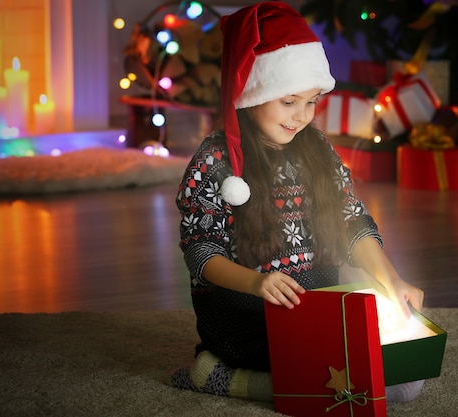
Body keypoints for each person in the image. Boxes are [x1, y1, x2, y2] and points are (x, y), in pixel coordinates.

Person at [170, 1, 425, 404]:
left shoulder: (316, 148)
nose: (301, 116)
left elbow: (351, 220)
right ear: (252, 93)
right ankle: (230, 377)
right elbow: (201, 253)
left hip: (316, 310)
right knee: (367, 385)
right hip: (249, 316)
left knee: (409, 379)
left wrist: (391, 280)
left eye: (311, 102)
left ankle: (261, 380)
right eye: (288, 102)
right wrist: (257, 283)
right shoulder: (214, 161)